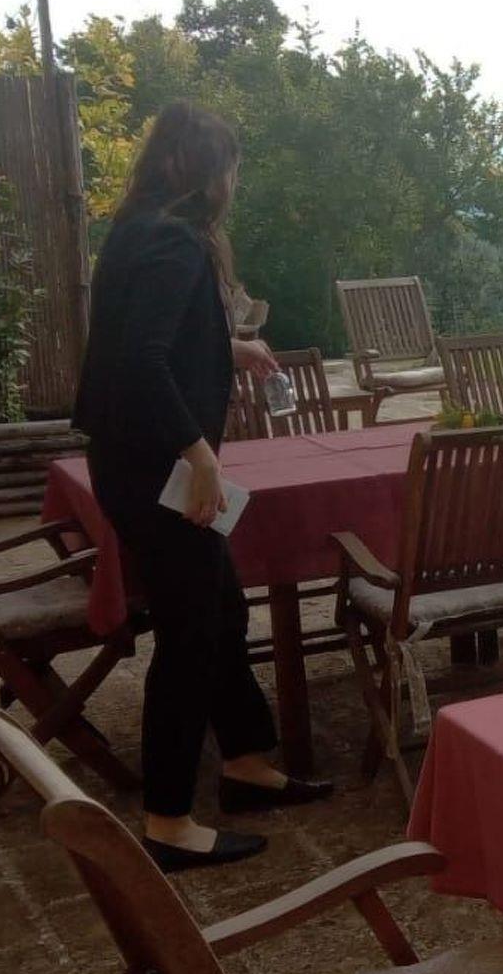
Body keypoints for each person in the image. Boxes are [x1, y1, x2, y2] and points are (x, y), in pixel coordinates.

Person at [73, 102, 330, 871]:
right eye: (230, 167)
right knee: (188, 633)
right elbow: (141, 364)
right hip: (158, 468)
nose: (233, 182)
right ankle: (168, 821)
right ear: (203, 172)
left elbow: (146, 337)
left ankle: (245, 762)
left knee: (221, 606)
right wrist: (201, 455)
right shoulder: (175, 242)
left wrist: (228, 345)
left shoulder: (139, 228)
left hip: (138, 462)